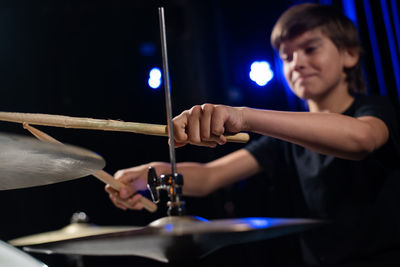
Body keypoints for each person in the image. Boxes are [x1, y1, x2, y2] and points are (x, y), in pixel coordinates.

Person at [106, 3, 400, 266]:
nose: (295, 63)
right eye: (286, 56)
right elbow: (210, 177)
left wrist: (243, 116)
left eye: (310, 49)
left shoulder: (373, 109)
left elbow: (362, 139)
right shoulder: (286, 139)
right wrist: (148, 175)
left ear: (349, 54)